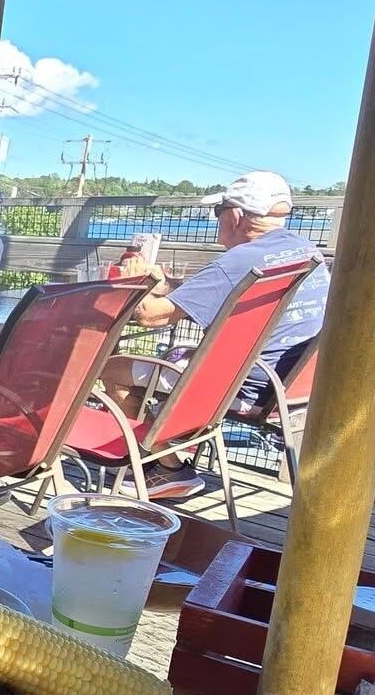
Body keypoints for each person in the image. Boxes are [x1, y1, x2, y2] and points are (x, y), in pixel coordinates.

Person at [101, 169, 330, 484]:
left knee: (112, 370)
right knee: (166, 367)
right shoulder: (305, 252)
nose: (216, 220)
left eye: (217, 211)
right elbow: (223, 290)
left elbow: (149, 316)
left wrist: (134, 279)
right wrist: (170, 284)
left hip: (235, 387)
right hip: (286, 385)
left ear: (235, 216)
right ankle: (165, 456)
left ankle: (169, 470)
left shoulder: (237, 263)